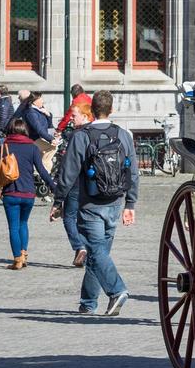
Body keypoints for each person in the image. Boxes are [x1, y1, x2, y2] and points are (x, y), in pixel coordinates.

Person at [51, 90, 139, 316]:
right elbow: (134, 172)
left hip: (90, 203)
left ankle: (117, 290)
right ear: (112, 110)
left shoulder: (81, 136)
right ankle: (88, 302)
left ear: (91, 112)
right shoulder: (123, 135)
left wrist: (58, 200)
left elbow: (68, 173)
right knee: (98, 253)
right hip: (115, 201)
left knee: (97, 252)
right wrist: (130, 204)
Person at [0, 116, 53, 270]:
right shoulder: (33, 147)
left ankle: (17, 260)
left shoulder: (4, 147)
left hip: (11, 192)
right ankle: (24, 253)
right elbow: (42, 170)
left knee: (13, 227)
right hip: (29, 193)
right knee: (23, 223)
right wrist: (52, 185)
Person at [53, 100, 93, 267]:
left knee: (68, 217)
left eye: (74, 115)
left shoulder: (78, 136)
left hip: (76, 182)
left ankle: (80, 246)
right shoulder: (96, 132)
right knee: (86, 218)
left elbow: (69, 167)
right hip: (92, 183)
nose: (71, 119)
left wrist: (58, 199)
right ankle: (88, 251)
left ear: (85, 116)